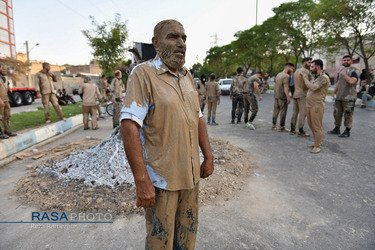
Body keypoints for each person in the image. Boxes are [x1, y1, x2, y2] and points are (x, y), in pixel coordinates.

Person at [120, 19, 214, 249]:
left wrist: (208, 156)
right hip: (161, 181)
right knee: (160, 242)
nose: (181, 43)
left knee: (187, 238)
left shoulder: (187, 75)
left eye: (184, 38)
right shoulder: (143, 74)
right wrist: (141, 180)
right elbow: (129, 124)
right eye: (173, 37)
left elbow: (198, 117)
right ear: (156, 43)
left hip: (190, 178)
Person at [302, 59, 330, 153]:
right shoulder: (315, 77)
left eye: (312, 67)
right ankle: (316, 142)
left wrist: (305, 78)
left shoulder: (324, 78)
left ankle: (317, 146)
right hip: (309, 105)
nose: (310, 68)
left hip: (317, 105)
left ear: (318, 67)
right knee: (311, 125)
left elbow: (313, 87)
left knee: (317, 126)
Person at [329, 55, 359, 137]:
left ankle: (347, 131)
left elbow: (352, 81)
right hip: (339, 96)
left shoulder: (354, 71)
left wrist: (345, 74)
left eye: (348, 60)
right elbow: (339, 81)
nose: (345, 61)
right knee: (337, 113)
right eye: (344, 60)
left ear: (351, 61)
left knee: (348, 114)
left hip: (349, 97)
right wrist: (334, 91)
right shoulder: (342, 70)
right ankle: (337, 128)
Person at [290, 57, 312, 136]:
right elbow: (304, 84)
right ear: (304, 63)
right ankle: (301, 130)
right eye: (309, 62)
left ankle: (292, 129)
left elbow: (292, 83)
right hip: (302, 95)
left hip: (296, 94)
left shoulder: (296, 71)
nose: (310, 64)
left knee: (295, 113)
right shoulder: (305, 71)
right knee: (302, 113)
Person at [272, 62, 294, 131]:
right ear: (288, 67)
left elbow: (275, 85)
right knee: (283, 112)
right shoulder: (286, 76)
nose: (292, 70)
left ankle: (274, 125)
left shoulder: (279, 74)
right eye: (292, 68)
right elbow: (286, 87)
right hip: (282, 97)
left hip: (276, 96)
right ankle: (282, 127)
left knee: (276, 111)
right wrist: (288, 97)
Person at [0, 65, 17, 139]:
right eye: (1, 68)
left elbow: (6, 85)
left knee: (7, 116)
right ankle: (0, 133)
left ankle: (7, 131)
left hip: (6, 99)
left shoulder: (3, 77)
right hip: (1, 100)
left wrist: (9, 89)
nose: (2, 69)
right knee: (0, 117)